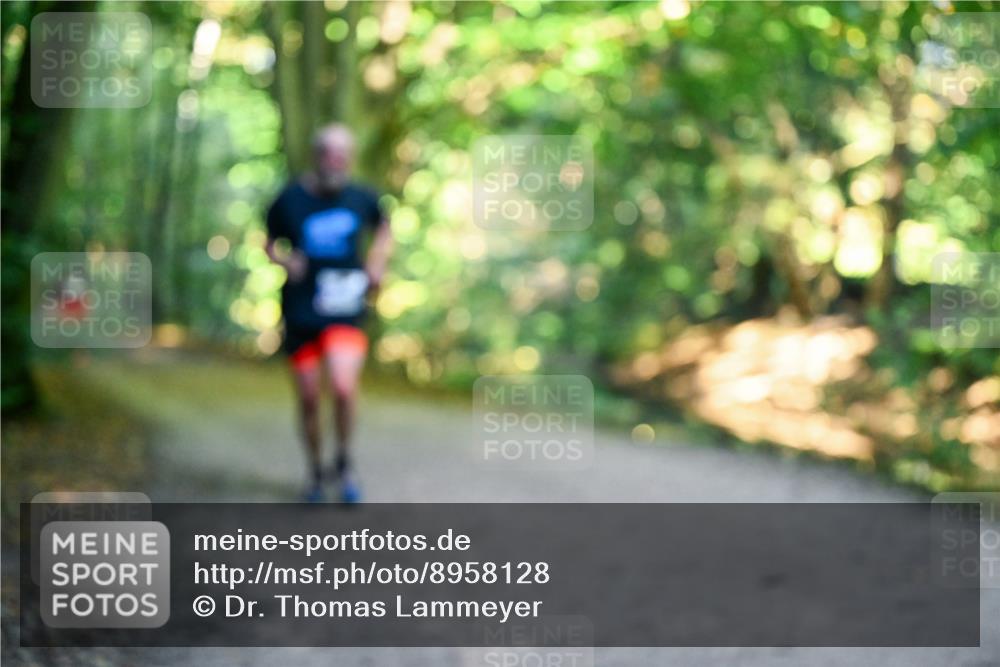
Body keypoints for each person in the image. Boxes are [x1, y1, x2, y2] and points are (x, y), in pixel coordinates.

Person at [265, 124, 392, 503]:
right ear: (317, 156)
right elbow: (269, 243)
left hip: (345, 306)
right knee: (307, 398)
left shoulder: (362, 197)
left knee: (342, 386)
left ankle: (345, 462)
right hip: (302, 309)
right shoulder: (289, 199)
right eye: (330, 153)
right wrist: (287, 261)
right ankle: (315, 471)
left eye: (344, 155)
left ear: (350, 159)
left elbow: (385, 229)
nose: (337, 161)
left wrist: (377, 263)